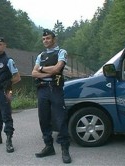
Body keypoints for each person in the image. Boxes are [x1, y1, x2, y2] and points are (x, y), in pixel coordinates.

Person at [31, 29, 71, 163]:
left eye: (48, 38)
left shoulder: (61, 52)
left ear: (54, 39)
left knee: (60, 119)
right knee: (44, 119)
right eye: (43, 39)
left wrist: (42, 69)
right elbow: (33, 73)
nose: (45, 41)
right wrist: (48, 73)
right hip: (42, 90)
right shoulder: (40, 55)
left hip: (56, 89)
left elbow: (57, 69)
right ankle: (49, 146)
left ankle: (65, 149)